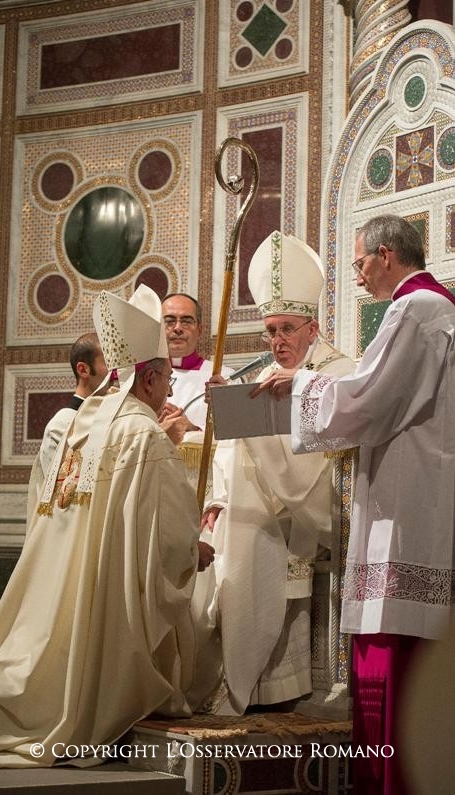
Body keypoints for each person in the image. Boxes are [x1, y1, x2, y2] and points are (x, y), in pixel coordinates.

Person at [0, 285, 212, 767]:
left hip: (62, 576)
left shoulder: (84, 423)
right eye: (164, 380)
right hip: (106, 587)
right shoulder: (142, 433)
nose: (167, 390)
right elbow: (162, 534)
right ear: (150, 379)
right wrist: (194, 549)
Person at [254, 215, 455, 795]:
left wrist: (299, 384)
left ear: (387, 255)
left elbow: (370, 400)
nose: (360, 276)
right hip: (417, 494)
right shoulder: (436, 309)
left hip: (408, 506)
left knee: (389, 654)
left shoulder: (416, 310)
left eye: (362, 262)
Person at [190, 231, 354, 716]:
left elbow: (325, 462)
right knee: (233, 531)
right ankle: (234, 676)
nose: (277, 342)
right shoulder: (262, 378)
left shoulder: (341, 373)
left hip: (310, 511)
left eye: (286, 329)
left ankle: (256, 680)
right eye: (270, 331)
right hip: (261, 507)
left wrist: (268, 430)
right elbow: (234, 452)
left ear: (312, 327)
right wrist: (217, 499)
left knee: (256, 534)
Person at [26, 332, 109, 523]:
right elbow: (65, 498)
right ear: (83, 369)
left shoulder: (108, 419)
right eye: (109, 363)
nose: (117, 373)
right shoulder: (62, 425)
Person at [162, 293, 235, 433]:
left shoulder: (225, 377)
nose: (177, 328)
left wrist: (193, 429)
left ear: (200, 330)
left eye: (186, 321)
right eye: (170, 321)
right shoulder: (145, 377)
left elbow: (236, 435)